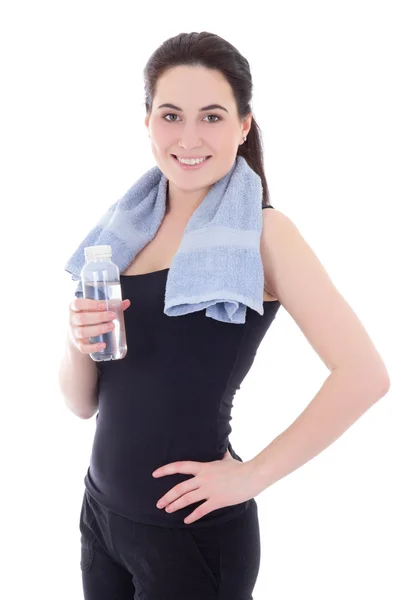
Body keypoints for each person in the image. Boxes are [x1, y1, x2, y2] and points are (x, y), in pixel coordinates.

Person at [59, 31, 390, 600]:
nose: (189, 137)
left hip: (191, 539)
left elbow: (366, 376)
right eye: (171, 115)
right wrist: (74, 338)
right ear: (147, 122)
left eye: (212, 116)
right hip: (101, 519)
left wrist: (251, 476)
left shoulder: (265, 235)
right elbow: (82, 403)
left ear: (243, 125)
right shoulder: (122, 232)